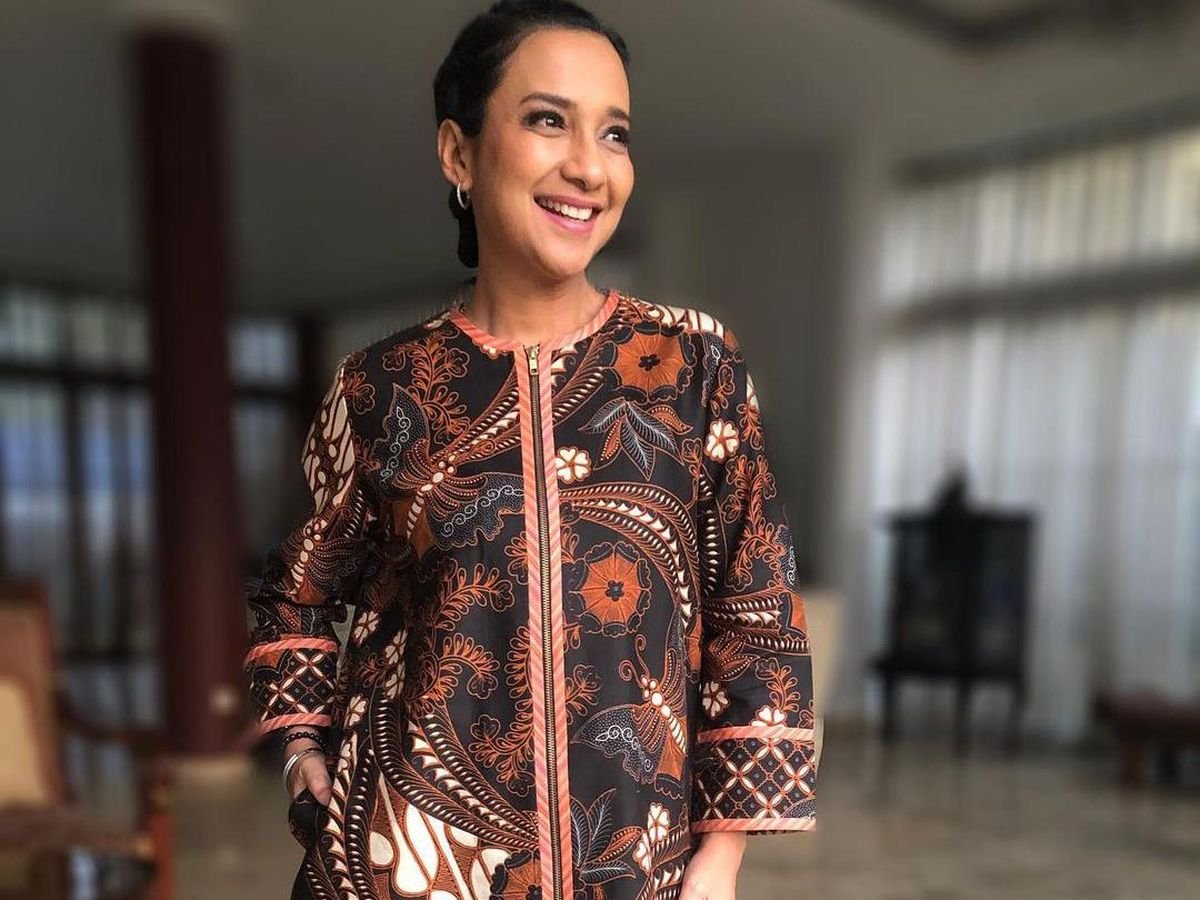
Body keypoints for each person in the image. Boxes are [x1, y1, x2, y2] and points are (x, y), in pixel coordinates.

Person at [242, 2, 817, 898]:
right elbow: (295, 592)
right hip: (410, 865)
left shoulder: (693, 366)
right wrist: (302, 750)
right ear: (458, 153)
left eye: (615, 133)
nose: (589, 165)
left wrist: (722, 854)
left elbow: (758, 607)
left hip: (635, 867)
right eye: (549, 120)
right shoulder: (381, 387)